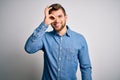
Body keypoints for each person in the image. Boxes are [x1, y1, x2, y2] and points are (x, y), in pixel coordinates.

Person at [24, 3, 92, 80]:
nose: (57, 20)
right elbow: (29, 48)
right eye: (53, 17)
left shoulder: (79, 39)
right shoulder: (44, 37)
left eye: (60, 16)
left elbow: (85, 67)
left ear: (66, 17)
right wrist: (45, 23)